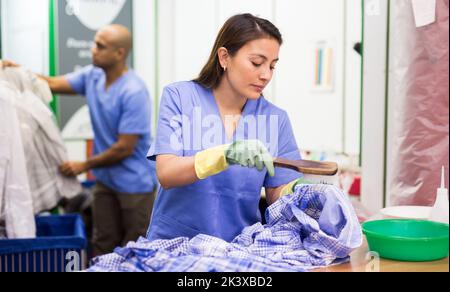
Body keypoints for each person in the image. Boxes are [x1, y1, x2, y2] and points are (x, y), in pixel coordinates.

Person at [2, 24, 157, 256]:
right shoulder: (93, 76)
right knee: (102, 243)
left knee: (135, 248)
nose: (93, 50)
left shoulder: (133, 91)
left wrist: (83, 165)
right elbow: (51, 84)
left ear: (119, 53)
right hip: (105, 182)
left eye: (100, 46)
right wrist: (19, 72)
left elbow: (125, 148)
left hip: (135, 186)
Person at [147, 14, 303, 242]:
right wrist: (224, 155)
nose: (266, 75)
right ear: (224, 57)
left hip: (237, 248)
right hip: (174, 244)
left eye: (272, 66)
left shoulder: (275, 119)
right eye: (257, 63)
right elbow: (167, 173)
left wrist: (298, 191)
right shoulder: (180, 97)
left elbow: (275, 194)